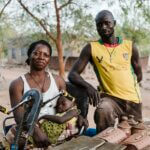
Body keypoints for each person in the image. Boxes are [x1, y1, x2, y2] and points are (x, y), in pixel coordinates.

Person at [68, 10, 143, 133]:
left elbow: (138, 74)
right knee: (103, 110)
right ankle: (104, 143)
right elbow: (73, 74)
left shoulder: (129, 46)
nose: (103, 27)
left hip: (133, 100)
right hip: (111, 99)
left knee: (135, 138)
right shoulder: (91, 48)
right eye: (99, 24)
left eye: (107, 23)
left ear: (114, 23)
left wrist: (128, 86)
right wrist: (88, 87)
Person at [7, 40, 68, 148]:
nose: (41, 57)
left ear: (49, 59)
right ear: (29, 56)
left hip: (54, 125)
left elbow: (66, 105)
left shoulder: (58, 81)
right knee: (17, 141)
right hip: (29, 127)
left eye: (46, 55)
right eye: (36, 53)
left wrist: (71, 108)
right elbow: (19, 115)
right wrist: (35, 131)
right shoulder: (17, 84)